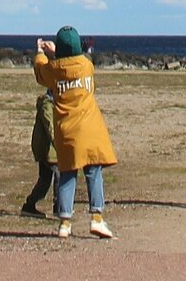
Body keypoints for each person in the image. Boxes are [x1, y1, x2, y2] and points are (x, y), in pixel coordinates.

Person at [33, 25, 118, 239]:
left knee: (67, 174)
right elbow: (72, 62)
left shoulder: (54, 71)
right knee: (94, 171)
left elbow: (42, 73)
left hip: (67, 130)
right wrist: (55, 54)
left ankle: (65, 222)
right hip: (90, 127)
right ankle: (97, 218)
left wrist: (42, 53)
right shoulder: (87, 66)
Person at [20, 89, 59, 218]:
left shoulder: (52, 104)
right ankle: (59, 207)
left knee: (45, 180)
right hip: (47, 150)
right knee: (60, 174)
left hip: (49, 150)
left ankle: (29, 206)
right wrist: (59, 144)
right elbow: (50, 127)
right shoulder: (47, 105)